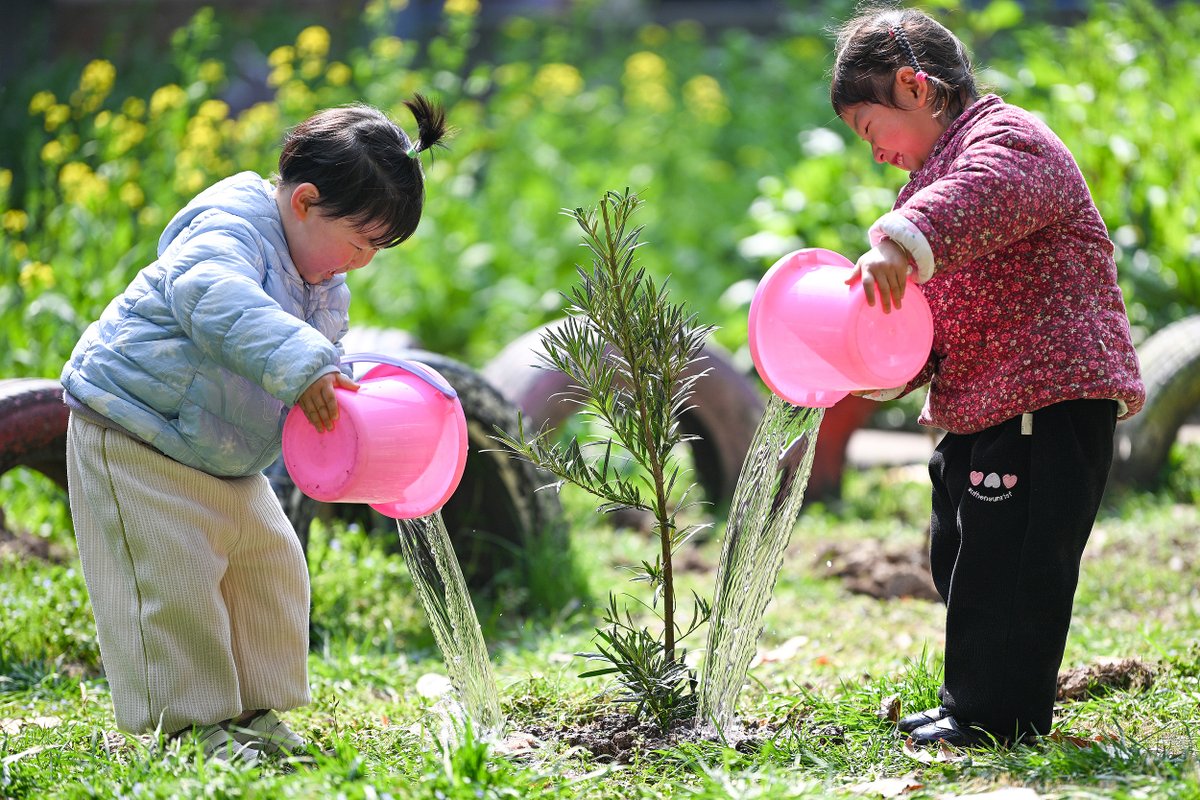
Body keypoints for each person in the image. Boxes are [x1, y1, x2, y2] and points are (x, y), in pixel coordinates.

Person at [61, 97, 449, 763]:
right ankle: (182, 730)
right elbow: (214, 296)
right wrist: (302, 364)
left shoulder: (322, 274)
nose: (363, 261)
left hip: (220, 451)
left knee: (270, 565)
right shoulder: (228, 227)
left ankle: (250, 712)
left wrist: (337, 406)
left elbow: (313, 361)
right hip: (133, 427)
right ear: (303, 201)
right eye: (360, 241)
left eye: (376, 249)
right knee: (171, 580)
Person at [829, 6, 1145, 747]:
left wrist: (902, 246)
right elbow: (929, 316)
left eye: (871, 130)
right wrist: (880, 364)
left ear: (916, 87)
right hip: (984, 402)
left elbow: (981, 195)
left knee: (1015, 562)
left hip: (1050, 397)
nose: (875, 154)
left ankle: (1002, 717)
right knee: (965, 554)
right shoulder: (929, 186)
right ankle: (969, 699)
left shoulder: (1008, 141)